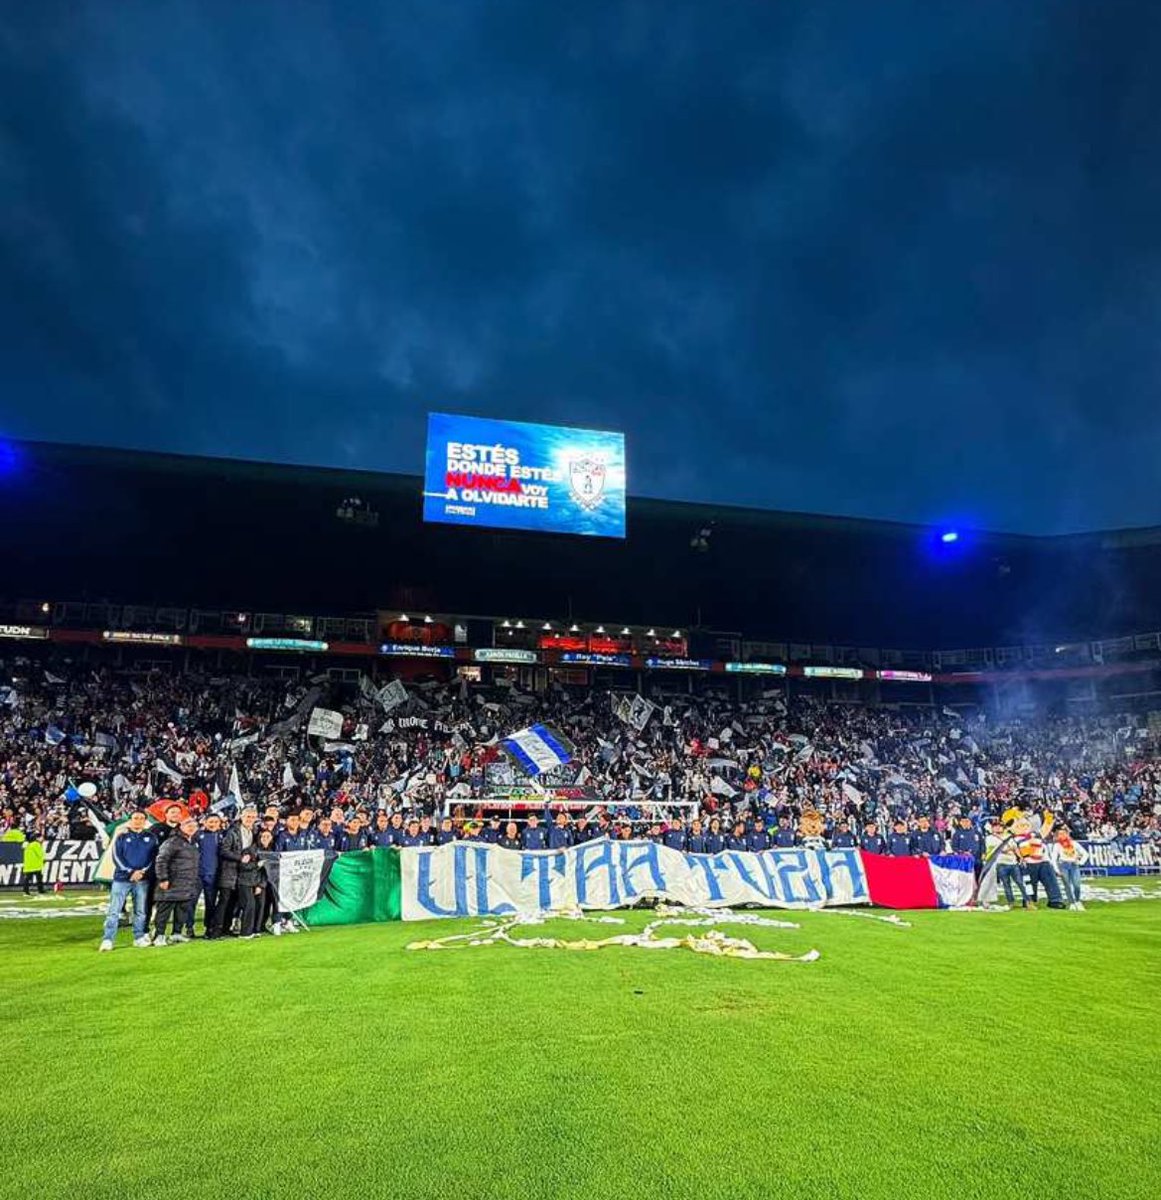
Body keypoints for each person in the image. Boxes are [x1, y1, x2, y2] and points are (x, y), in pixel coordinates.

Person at [99, 810, 159, 951]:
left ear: (145, 821)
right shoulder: (121, 837)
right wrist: (130, 871)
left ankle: (138, 937)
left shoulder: (151, 837)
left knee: (140, 911)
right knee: (114, 910)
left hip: (142, 879)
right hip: (121, 879)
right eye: (135, 818)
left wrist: (142, 871)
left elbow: (154, 857)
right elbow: (116, 857)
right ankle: (108, 939)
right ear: (130, 820)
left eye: (141, 818)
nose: (138, 821)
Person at [152, 816, 200, 946]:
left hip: (187, 883)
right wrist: (163, 878)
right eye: (188, 825)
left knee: (182, 910)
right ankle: (159, 935)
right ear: (181, 827)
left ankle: (176, 933)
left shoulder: (192, 842)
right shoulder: (172, 841)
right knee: (164, 910)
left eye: (194, 826)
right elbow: (161, 860)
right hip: (171, 882)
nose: (191, 828)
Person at [213, 806, 259, 937]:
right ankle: (215, 931)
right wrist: (240, 858)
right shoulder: (232, 832)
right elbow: (224, 851)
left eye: (252, 817)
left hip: (243, 874)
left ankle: (226, 929)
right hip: (229, 872)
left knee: (233, 902)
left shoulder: (254, 832)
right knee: (224, 902)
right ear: (241, 817)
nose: (250, 819)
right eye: (248, 816)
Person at [986, 820, 1028, 910]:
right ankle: (1010, 902)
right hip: (1001, 863)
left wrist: (1020, 857)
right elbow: (995, 850)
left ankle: (1028, 902)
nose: (998, 828)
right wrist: (1008, 850)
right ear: (992, 828)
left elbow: (1015, 848)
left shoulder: (1009, 837)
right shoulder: (989, 838)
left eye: (1000, 826)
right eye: (995, 826)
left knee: (1020, 882)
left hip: (1013, 862)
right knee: (1006, 884)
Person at [195, 814, 223, 938]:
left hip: (214, 875)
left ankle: (209, 928)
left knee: (210, 903)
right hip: (198, 874)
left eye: (216, 822)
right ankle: (188, 927)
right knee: (191, 902)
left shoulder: (222, 836)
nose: (213, 824)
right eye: (211, 821)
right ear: (205, 822)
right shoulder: (197, 835)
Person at [1050, 825, 1089, 911]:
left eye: (1064, 833)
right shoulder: (1057, 845)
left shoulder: (1074, 843)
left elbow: (1085, 854)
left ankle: (1077, 901)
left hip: (1074, 865)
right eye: (1060, 834)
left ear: (1067, 834)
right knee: (1067, 885)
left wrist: (1080, 862)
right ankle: (1072, 903)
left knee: (1077, 885)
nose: (1062, 835)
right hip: (1063, 865)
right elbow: (1053, 859)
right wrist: (1056, 870)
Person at [21, 829, 45, 895]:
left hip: (28, 865)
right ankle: (40, 890)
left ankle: (26, 891)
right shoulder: (36, 844)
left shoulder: (26, 845)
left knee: (27, 879)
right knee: (39, 879)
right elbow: (40, 854)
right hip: (36, 865)